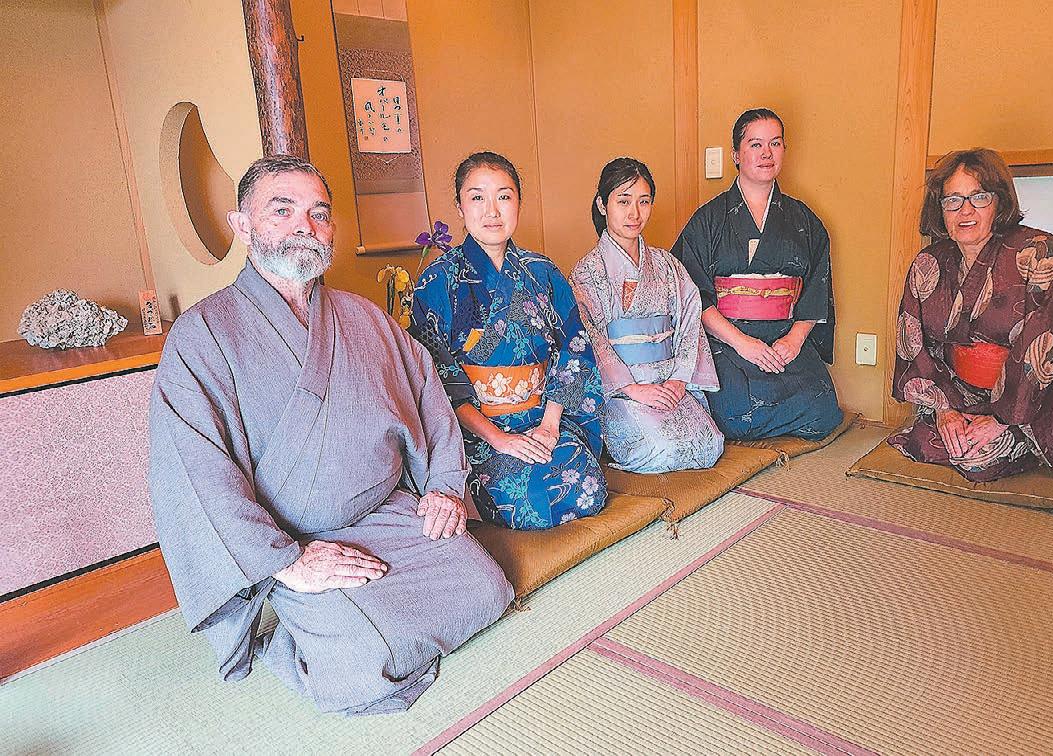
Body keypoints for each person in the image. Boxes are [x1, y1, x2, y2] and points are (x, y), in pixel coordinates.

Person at [148, 155, 512, 716]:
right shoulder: (202, 336)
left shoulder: (364, 317)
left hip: (387, 515)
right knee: (366, 664)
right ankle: (291, 630)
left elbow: (428, 396)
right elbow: (197, 472)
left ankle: (348, 620)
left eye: (319, 213)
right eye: (282, 210)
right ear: (242, 225)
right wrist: (289, 563)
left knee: (488, 589)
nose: (305, 226)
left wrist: (443, 486)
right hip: (292, 538)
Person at [410, 152, 607, 530]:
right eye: (477, 197)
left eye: (503, 196)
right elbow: (437, 380)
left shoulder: (543, 273)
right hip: (477, 435)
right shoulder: (437, 281)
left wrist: (549, 427)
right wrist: (500, 440)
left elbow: (575, 350)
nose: (492, 211)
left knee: (586, 486)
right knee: (527, 495)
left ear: (518, 203)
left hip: (542, 420)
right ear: (460, 206)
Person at [889, 148, 1053, 481]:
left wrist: (1002, 419)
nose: (965, 210)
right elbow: (913, 339)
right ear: (940, 208)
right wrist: (944, 410)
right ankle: (958, 424)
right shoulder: (929, 262)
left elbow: (1048, 340)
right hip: (956, 391)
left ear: (999, 201)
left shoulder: (1039, 254)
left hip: (1028, 395)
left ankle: (1025, 436)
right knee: (927, 442)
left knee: (976, 459)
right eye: (952, 200)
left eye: (978, 197)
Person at [671, 108, 842, 442]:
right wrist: (744, 344)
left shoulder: (804, 221)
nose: (766, 153)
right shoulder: (708, 220)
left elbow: (816, 289)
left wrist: (793, 341)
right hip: (728, 341)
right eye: (755, 144)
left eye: (775, 144)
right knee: (733, 414)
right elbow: (692, 295)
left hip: (782, 339)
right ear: (736, 154)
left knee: (824, 412)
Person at [570, 157, 724, 472]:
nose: (634, 213)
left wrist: (679, 380)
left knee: (710, 445)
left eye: (644, 201)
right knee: (661, 450)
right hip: (623, 392)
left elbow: (690, 321)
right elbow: (590, 338)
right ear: (602, 205)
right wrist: (633, 389)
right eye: (623, 201)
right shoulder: (587, 272)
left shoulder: (667, 264)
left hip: (669, 384)